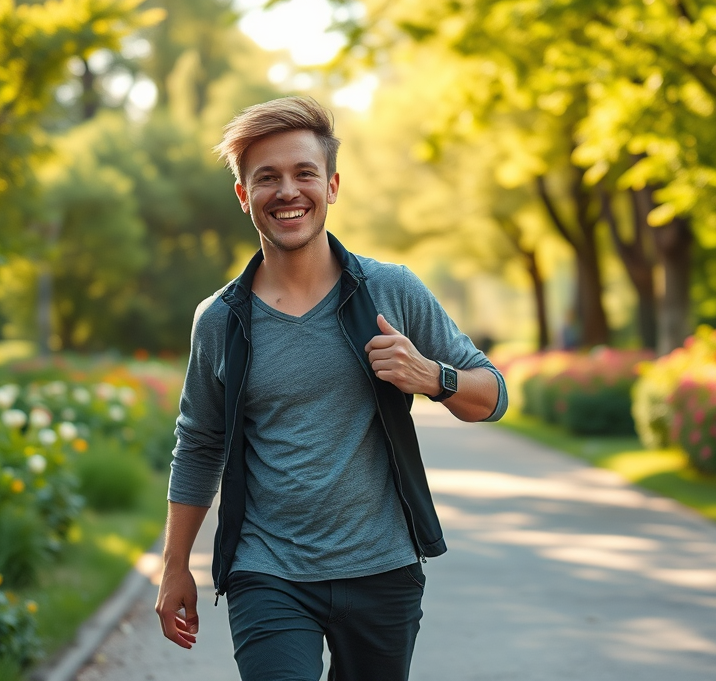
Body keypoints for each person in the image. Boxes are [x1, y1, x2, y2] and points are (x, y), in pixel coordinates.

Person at [155, 96, 508, 681]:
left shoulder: (391, 290)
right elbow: (198, 444)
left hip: (382, 570)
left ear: (332, 185)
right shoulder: (220, 319)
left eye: (304, 174)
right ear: (244, 195)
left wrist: (432, 377)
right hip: (266, 572)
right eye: (266, 178)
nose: (287, 191)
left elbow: (493, 395)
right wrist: (174, 567)